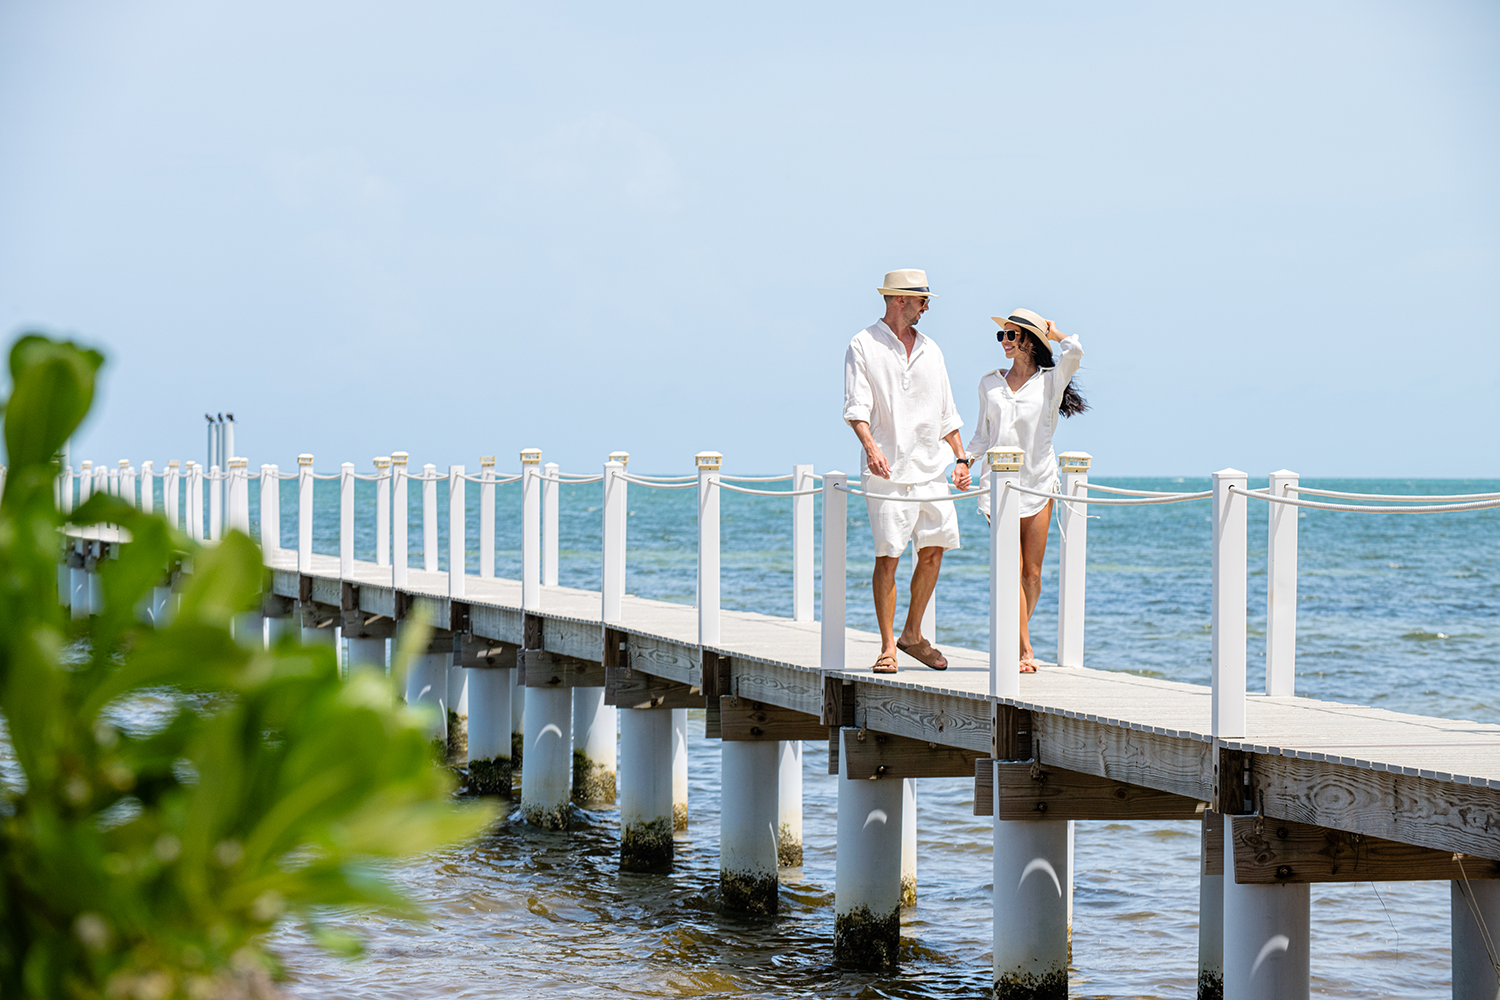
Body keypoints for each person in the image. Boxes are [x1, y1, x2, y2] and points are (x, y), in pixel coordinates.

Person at [843, 269, 972, 675]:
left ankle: (912, 634)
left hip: (931, 469)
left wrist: (962, 458)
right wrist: (871, 449)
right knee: (889, 556)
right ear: (900, 300)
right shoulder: (862, 344)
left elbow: (946, 412)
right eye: (922, 300)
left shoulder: (932, 350)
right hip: (888, 471)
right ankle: (886, 647)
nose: (926, 308)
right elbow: (856, 407)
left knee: (933, 551)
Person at [964, 308, 1087, 671]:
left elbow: (1076, 352)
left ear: (1030, 341)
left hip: (1039, 483)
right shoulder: (989, 383)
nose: (1004, 341)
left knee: (1031, 574)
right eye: (1001, 336)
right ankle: (1024, 650)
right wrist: (963, 462)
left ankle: (1015, 632)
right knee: (1010, 567)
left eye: (1011, 335)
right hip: (997, 486)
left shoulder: (1051, 380)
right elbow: (982, 435)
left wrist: (1055, 331)